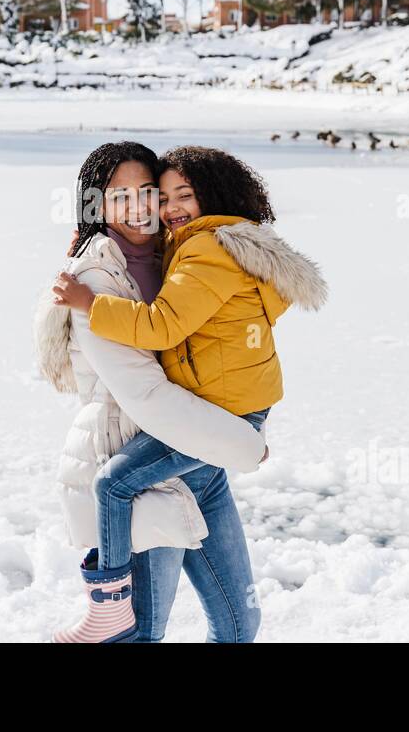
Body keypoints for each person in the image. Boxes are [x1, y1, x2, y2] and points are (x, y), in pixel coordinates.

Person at [51, 146, 327, 642]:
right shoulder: (97, 275)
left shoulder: (174, 251)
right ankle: (106, 600)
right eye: (120, 196)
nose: (143, 206)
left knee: (239, 623)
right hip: (154, 466)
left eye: (149, 193)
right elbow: (146, 392)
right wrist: (237, 440)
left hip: (199, 464)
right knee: (141, 632)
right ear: (96, 205)